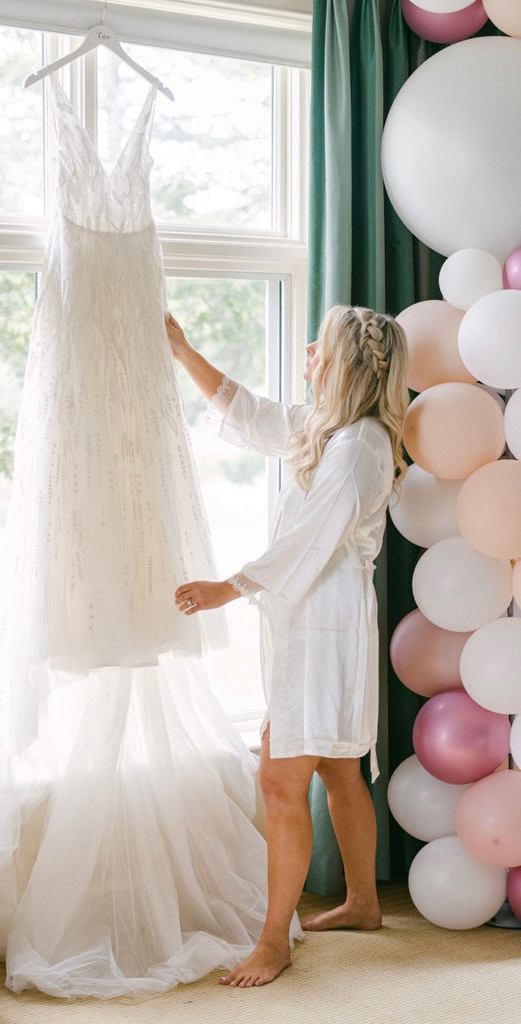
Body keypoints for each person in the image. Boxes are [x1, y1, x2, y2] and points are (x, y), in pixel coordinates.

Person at [165, 304, 409, 988]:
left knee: (280, 782)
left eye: (318, 346)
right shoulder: (328, 430)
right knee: (336, 769)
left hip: (323, 629)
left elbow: (311, 542)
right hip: (318, 623)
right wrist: (182, 350)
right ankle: (361, 903)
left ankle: (274, 941)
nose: (306, 350)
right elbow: (253, 413)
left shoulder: (359, 446)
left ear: (345, 365)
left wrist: (229, 587)